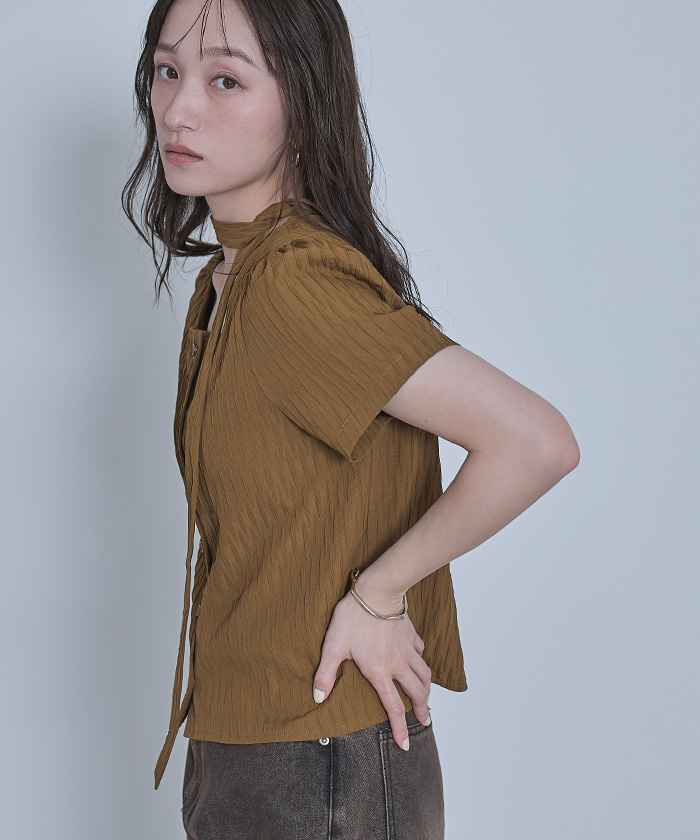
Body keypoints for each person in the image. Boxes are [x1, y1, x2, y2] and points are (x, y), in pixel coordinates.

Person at [122, 0, 580, 837]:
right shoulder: (232, 280)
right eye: (166, 70)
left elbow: (535, 441)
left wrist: (379, 592)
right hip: (252, 745)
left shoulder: (295, 283)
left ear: (303, 103)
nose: (179, 109)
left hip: (317, 758)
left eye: (225, 80)